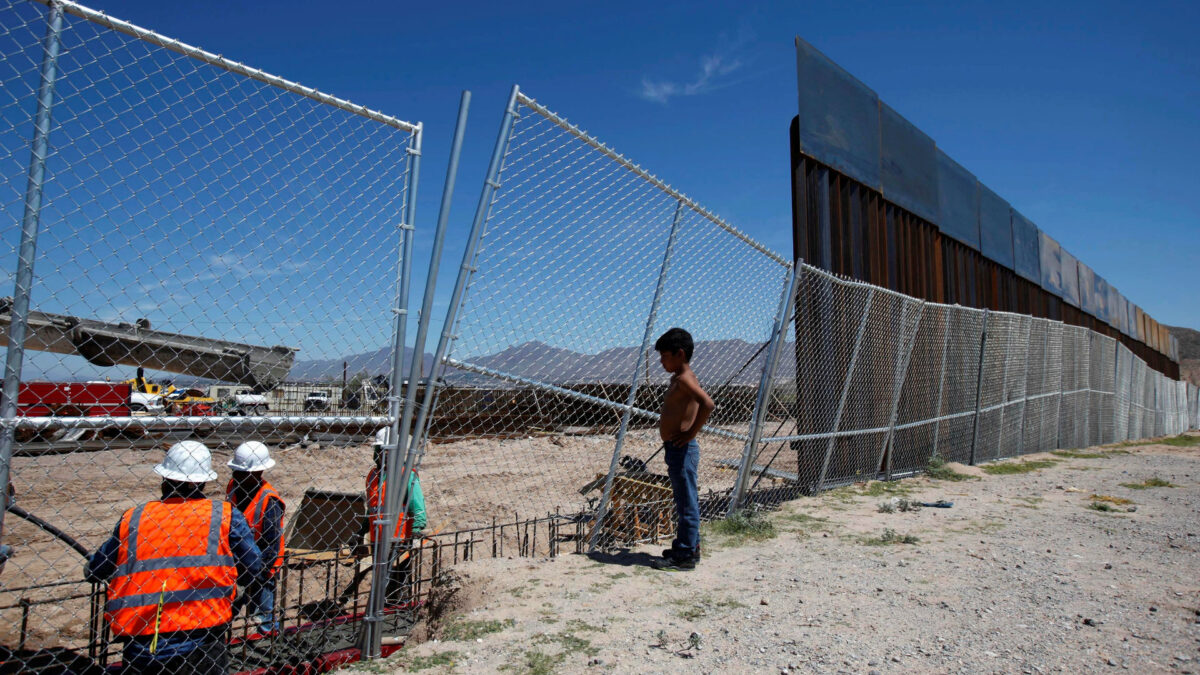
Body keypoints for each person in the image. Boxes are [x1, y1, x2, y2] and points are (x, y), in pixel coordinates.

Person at [85, 440, 262, 674]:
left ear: (164, 479)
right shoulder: (224, 515)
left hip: (143, 639)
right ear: (202, 482)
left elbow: (97, 570)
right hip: (204, 635)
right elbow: (254, 567)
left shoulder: (135, 517)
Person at [651, 328, 715, 571]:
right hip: (677, 449)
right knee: (684, 499)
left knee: (687, 502)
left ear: (679, 354)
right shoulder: (680, 377)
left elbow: (708, 404)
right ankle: (688, 547)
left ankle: (685, 555)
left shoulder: (685, 378)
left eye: (664, 356)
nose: (661, 361)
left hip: (682, 449)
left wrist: (690, 433)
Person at [226, 441, 285, 634]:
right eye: (235, 470)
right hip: (236, 562)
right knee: (229, 609)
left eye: (241, 472)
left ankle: (268, 640)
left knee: (263, 611)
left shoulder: (269, 501)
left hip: (263, 565)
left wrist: (258, 574)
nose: (236, 475)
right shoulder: (233, 486)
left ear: (258, 473)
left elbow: (271, 544)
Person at [366, 427, 426, 602]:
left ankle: (398, 610)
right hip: (377, 538)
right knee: (380, 580)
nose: (378, 453)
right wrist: (361, 530)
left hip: (399, 538)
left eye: (382, 450)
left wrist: (416, 529)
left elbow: (416, 503)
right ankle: (382, 610)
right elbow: (370, 507)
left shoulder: (404, 474)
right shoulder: (373, 476)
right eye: (378, 450)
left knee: (398, 580)